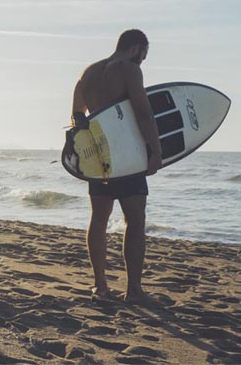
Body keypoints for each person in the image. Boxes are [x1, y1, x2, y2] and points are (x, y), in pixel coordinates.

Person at [70, 29, 162, 303]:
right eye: (143, 55)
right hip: (126, 155)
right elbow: (143, 112)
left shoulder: (89, 73)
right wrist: (155, 150)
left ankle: (100, 286)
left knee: (98, 218)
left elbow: (76, 116)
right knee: (135, 219)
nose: (142, 61)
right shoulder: (129, 70)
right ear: (136, 48)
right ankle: (133, 290)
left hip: (97, 157)